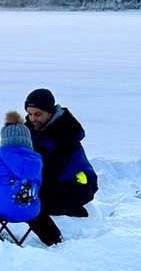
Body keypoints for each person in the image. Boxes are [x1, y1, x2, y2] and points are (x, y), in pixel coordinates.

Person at [0, 111, 62, 246]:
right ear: (28, 140)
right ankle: (55, 240)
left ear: (4, 140)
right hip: (30, 211)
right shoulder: (37, 161)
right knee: (38, 211)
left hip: (2, 210)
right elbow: (38, 185)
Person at [23, 88, 98, 217]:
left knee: (37, 203)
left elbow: (53, 170)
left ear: (50, 112)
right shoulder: (30, 128)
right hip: (49, 180)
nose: (33, 118)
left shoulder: (65, 132)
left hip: (80, 184)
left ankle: (71, 215)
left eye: (38, 114)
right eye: (30, 114)